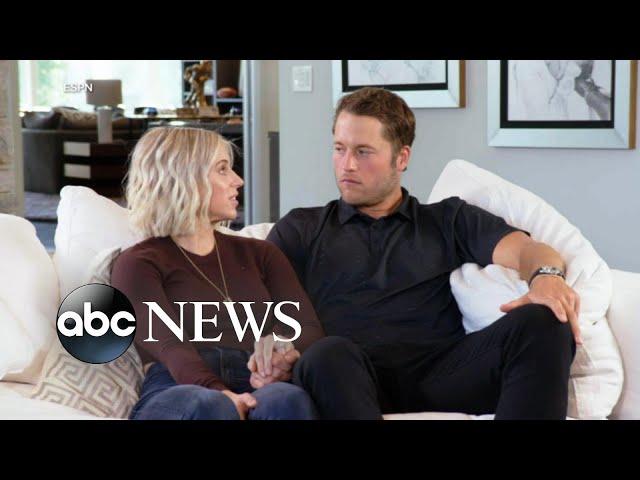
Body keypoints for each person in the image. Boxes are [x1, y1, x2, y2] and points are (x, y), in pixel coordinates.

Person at [252, 87, 579, 420]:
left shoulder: (447, 219)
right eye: (339, 149)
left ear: (402, 158)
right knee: (327, 353)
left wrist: (547, 278)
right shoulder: (301, 228)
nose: (347, 165)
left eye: (363, 152)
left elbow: (529, 251)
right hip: (345, 377)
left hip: (440, 376)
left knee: (546, 318)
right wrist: (272, 351)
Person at [111, 126, 324, 420]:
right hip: (178, 383)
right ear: (184, 178)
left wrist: (280, 357)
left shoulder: (261, 253)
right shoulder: (137, 263)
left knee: (287, 399)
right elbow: (172, 348)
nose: (238, 180)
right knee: (210, 405)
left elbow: (308, 328)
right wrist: (220, 392)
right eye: (222, 169)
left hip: (255, 378)